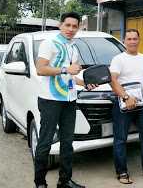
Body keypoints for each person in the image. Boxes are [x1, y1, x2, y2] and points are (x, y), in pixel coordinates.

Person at [34, 12, 87, 188]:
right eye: (68, 25)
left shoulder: (74, 47)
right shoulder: (49, 43)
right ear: (60, 25)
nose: (71, 29)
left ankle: (64, 181)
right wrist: (66, 69)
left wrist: (84, 83)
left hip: (69, 99)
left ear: (78, 28)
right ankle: (40, 182)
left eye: (74, 26)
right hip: (50, 100)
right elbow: (40, 69)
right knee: (45, 141)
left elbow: (71, 76)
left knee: (67, 143)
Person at [109, 28, 143, 184]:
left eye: (135, 39)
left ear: (139, 40)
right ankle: (122, 173)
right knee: (120, 139)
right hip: (124, 101)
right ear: (124, 41)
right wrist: (126, 97)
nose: (132, 41)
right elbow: (113, 81)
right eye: (129, 39)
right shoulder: (118, 59)